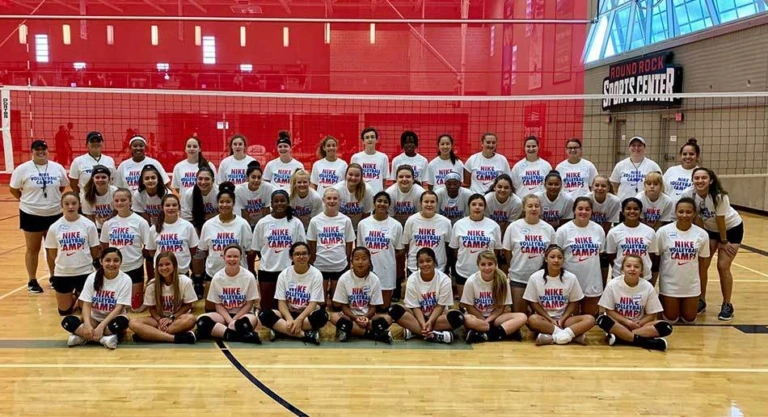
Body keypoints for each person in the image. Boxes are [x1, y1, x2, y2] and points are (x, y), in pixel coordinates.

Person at [10, 139, 69, 293]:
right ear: (32, 151)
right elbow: (14, 189)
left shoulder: (57, 168)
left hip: (54, 213)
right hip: (31, 213)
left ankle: (54, 277)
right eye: (37, 149)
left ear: (48, 151)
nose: (41, 152)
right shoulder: (23, 169)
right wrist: (27, 201)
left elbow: (62, 186)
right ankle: (32, 280)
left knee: (52, 248)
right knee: (33, 248)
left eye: (44, 149)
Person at [688, 168, 743, 321]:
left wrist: (723, 242)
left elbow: (720, 220)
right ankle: (701, 300)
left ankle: (727, 304)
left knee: (723, 266)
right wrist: (701, 237)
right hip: (710, 230)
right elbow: (696, 217)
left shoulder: (719, 196)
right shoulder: (689, 194)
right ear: (692, 180)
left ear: (710, 180)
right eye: (696, 178)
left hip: (730, 229)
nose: (700, 181)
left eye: (703, 178)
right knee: (702, 264)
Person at [387, 248, 465, 344]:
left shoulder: (444, 279)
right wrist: (423, 323)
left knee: (458, 317)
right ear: (418, 264)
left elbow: (440, 306)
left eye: (428, 261)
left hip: (437, 318)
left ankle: (415, 331)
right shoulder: (412, 279)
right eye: (421, 262)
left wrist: (430, 322)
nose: (425, 264)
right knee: (394, 310)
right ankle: (434, 335)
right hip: (417, 316)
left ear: (434, 262)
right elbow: (415, 307)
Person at [258, 242, 329, 345]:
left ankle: (282, 330)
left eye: (304, 253)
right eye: (297, 254)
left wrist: (299, 320)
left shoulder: (316, 274)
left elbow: (313, 304)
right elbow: (281, 303)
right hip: (288, 313)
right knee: (264, 315)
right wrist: (289, 319)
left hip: (307, 315)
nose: (301, 257)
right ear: (291, 257)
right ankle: (304, 335)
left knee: (322, 316)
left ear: (309, 256)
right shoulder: (284, 274)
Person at [60, 247, 131, 349]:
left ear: (120, 262)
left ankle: (83, 337)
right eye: (107, 260)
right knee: (67, 321)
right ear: (101, 261)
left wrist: (101, 327)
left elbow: (119, 308)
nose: (111, 264)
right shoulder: (92, 277)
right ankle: (104, 339)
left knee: (123, 322)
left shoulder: (126, 279)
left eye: (116, 260)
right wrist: (87, 325)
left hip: (112, 320)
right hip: (95, 319)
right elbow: (87, 304)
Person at [524, 244, 595, 346]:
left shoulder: (571, 277)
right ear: (546, 259)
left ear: (563, 260)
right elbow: (534, 303)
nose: (556, 260)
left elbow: (573, 301)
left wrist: (562, 319)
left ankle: (552, 337)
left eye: (559, 257)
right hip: (545, 319)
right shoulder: (535, 277)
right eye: (552, 257)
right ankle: (568, 336)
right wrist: (550, 319)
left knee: (590, 319)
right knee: (532, 320)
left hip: (565, 319)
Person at [196, 183, 253, 310]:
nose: (225, 205)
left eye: (228, 202)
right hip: (213, 272)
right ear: (217, 203)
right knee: (210, 309)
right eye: (221, 202)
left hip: (237, 274)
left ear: (233, 203)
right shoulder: (209, 224)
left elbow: (249, 252)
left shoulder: (243, 224)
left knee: (236, 309)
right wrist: (199, 277)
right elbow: (202, 250)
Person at [597, 255, 670, 351]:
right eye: (628, 266)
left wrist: (638, 323)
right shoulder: (612, 285)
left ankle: (621, 338)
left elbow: (652, 314)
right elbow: (609, 311)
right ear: (622, 269)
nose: (632, 269)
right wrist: (626, 322)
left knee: (665, 327)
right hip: (619, 324)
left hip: (639, 325)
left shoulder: (647, 286)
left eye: (636, 267)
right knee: (602, 320)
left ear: (641, 270)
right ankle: (644, 341)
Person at [44, 192, 100, 315]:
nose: (70, 207)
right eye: (67, 204)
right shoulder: (55, 227)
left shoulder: (88, 225)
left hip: (84, 271)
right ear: (62, 205)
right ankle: (74, 297)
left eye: (74, 203)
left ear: (79, 205)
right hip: (62, 273)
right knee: (64, 311)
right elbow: (52, 252)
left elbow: (94, 249)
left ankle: (79, 296)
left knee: (85, 311)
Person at [251, 190, 306, 311]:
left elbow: (301, 248)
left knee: (287, 306)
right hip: (267, 270)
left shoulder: (296, 223)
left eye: (282, 200)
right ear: (271, 203)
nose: (279, 203)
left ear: (288, 202)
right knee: (266, 306)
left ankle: (283, 326)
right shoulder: (263, 223)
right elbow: (256, 248)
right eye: (276, 201)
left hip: (289, 271)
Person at [657, 197, 710, 323]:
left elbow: (703, 267)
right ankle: (662, 299)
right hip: (669, 284)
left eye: (688, 212)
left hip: (691, 285)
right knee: (671, 318)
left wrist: (702, 294)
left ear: (694, 213)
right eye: (681, 212)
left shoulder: (702, 234)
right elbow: (655, 260)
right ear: (675, 212)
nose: (684, 215)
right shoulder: (663, 232)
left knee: (689, 318)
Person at [196, 244, 262, 344]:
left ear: (241, 258)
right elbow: (218, 304)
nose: (232, 259)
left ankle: (223, 333)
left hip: (243, 314)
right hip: (223, 315)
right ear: (223, 257)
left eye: (235, 256)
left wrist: (234, 320)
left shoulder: (249, 277)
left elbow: (249, 304)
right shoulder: (217, 277)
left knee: (248, 322)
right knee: (201, 320)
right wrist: (229, 320)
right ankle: (238, 335)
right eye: (229, 256)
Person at [129, 252, 198, 344]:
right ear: (156, 268)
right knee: (133, 323)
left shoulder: (185, 281)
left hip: (177, 318)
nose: (164, 268)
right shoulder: (152, 285)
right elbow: (152, 308)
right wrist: (159, 319)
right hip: (159, 320)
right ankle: (175, 338)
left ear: (174, 265)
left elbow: (188, 305)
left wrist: (172, 318)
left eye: (167, 264)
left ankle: (150, 335)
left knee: (191, 319)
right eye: (160, 265)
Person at [100, 188, 151, 310]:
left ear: (130, 202)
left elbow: (148, 246)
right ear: (113, 203)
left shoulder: (140, 222)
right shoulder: (108, 223)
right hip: (115, 269)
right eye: (116, 200)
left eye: (123, 200)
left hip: (134, 267)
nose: (119, 203)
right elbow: (105, 245)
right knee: (113, 306)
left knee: (135, 307)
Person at [503, 194, 555, 313]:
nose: (533, 208)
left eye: (536, 206)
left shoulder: (548, 229)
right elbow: (507, 251)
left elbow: (552, 253)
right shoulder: (513, 227)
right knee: (519, 314)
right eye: (530, 205)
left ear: (541, 208)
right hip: (519, 277)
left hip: (541, 278)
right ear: (524, 208)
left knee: (541, 315)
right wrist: (512, 267)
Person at [461, 250, 527, 343]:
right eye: (483, 264)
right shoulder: (471, 281)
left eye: (490, 264)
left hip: (496, 318)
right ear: (478, 265)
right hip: (477, 317)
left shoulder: (503, 280)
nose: (487, 268)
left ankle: (486, 335)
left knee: (522, 317)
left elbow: (501, 308)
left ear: (495, 264)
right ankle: (503, 332)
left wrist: (488, 321)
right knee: (466, 319)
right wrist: (483, 321)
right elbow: (469, 307)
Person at [555, 197, 606, 316]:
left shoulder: (598, 230)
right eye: (580, 208)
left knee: (590, 319)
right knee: (569, 319)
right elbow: (556, 257)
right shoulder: (563, 231)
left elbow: (601, 255)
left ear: (592, 211)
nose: (583, 212)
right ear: (574, 210)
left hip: (592, 281)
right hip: (569, 281)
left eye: (587, 209)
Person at [331, 247, 392, 343]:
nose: (360, 262)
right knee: (334, 317)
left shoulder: (374, 279)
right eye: (357, 259)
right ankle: (373, 334)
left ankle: (350, 330)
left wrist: (366, 317)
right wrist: (355, 318)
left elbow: (373, 307)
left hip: (369, 317)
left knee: (388, 318)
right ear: (351, 261)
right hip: (350, 317)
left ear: (369, 262)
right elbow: (344, 306)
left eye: (364, 259)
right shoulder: (344, 278)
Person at [307, 188, 356, 305]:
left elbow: (349, 243)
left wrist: (347, 261)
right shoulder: (315, 221)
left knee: (337, 304)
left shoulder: (346, 220)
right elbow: (311, 242)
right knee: (320, 303)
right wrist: (313, 260)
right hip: (321, 264)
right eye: (329, 198)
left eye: (335, 198)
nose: (332, 201)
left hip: (339, 264)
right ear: (323, 200)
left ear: (340, 201)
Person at [357, 192, 404, 308]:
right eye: (379, 201)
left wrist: (385, 256)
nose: (382, 204)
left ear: (389, 205)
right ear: (374, 203)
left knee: (384, 307)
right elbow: (359, 249)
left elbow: (400, 250)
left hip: (387, 269)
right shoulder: (363, 224)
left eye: (385, 202)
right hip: (367, 269)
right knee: (366, 307)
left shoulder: (396, 225)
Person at [450, 193, 503, 297]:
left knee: (483, 306)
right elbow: (455, 249)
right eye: (474, 204)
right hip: (463, 271)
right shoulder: (459, 224)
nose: (477, 207)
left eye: (480, 204)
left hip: (486, 273)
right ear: (469, 206)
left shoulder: (494, 226)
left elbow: (495, 251)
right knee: (465, 306)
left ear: (485, 208)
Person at [402, 191, 453, 287]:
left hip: (438, 268)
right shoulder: (411, 220)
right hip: (414, 268)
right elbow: (406, 245)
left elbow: (448, 246)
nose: (429, 205)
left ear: (437, 204)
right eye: (426, 202)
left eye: (432, 202)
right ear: (420, 203)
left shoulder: (445, 222)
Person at [605, 198, 660, 286]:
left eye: (636, 209)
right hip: (620, 277)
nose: (632, 211)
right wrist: (622, 269)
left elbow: (651, 255)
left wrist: (643, 268)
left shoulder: (650, 231)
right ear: (622, 211)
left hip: (644, 277)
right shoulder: (614, 232)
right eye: (628, 208)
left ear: (640, 211)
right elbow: (611, 256)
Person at [146, 194, 199, 276]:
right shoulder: (154, 228)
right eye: (167, 205)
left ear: (179, 207)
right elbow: (152, 252)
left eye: (174, 205)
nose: (171, 208)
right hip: (162, 272)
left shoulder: (188, 226)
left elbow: (192, 249)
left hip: (181, 271)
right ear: (162, 207)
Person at [610, 136, 662, 203]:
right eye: (633, 145)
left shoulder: (653, 166)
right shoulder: (620, 165)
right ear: (629, 148)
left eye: (639, 145)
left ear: (644, 148)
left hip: (645, 205)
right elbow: (615, 185)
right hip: (623, 204)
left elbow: (660, 184)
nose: (636, 148)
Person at [69, 131, 116, 196]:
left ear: (102, 143)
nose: (95, 143)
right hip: (87, 199)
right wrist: (82, 195)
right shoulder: (78, 161)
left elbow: (113, 180)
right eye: (92, 141)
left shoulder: (109, 160)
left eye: (98, 141)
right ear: (87, 144)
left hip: (106, 199)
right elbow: (73, 183)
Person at [333, 163, 374, 230]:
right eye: (350, 174)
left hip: (358, 228)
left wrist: (360, 229)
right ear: (346, 175)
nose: (353, 178)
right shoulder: (337, 189)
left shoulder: (367, 190)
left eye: (357, 175)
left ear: (361, 177)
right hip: (340, 228)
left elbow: (366, 213)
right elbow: (333, 213)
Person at [235, 161, 275, 228]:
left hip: (262, 222)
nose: (256, 180)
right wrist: (249, 230)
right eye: (253, 177)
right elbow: (244, 213)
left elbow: (266, 211)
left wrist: (264, 228)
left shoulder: (268, 188)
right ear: (247, 178)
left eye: (259, 177)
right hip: (247, 222)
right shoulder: (239, 190)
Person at [181, 166, 219, 234]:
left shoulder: (219, 193)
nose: (203, 182)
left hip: (218, 225)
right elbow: (188, 219)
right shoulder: (189, 194)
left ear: (213, 181)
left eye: (207, 179)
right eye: (200, 179)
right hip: (197, 226)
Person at [350, 127, 389, 194]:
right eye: (367, 137)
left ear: (376, 140)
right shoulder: (355, 157)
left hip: (377, 195)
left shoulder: (383, 157)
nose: (370, 139)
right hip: (361, 194)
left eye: (372, 137)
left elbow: (384, 179)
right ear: (363, 141)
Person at [81, 165, 117, 233]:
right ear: (93, 179)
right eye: (97, 177)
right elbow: (90, 218)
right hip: (98, 228)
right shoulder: (86, 196)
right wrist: (95, 235)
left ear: (109, 179)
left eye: (103, 177)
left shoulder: (115, 192)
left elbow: (118, 211)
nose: (100, 180)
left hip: (115, 226)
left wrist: (108, 219)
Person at [663, 138, 700, 204]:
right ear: (680, 156)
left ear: (697, 156)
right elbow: (662, 191)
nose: (688, 157)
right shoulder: (671, 170)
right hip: (669, 212)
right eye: (684, 154)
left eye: (691, 154)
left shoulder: (700, 173)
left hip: (689, 212)